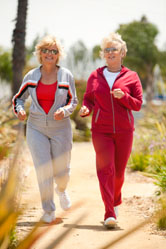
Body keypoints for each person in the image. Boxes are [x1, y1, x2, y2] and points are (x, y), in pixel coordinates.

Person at [79, 32, 143, 228]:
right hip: (101, 131)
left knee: (119, 173)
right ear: (103, 54)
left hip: (124, 131)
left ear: (122, 52)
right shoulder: (95, 76)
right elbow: (89, 99)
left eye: (114, 49)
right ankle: (109, 212)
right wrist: (86, 109)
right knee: (105, 170)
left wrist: (123, 97)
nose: (110, 53)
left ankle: (114, 202)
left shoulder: (131, 76)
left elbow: (138, 104)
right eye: (106, 50)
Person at [12, 35, 78, 223]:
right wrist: (19, 110)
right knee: (43, 168)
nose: (49, 54)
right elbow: (19, 98)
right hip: (36, 126)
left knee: (62, 171)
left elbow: (73, 101)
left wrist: (64, 111)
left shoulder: (66, 75)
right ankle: (48, 210)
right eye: (46, 50)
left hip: (60, 128)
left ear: (58, 55)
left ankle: (62, 189)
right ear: (40, 53)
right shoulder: (31, 76)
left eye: (54, 51)